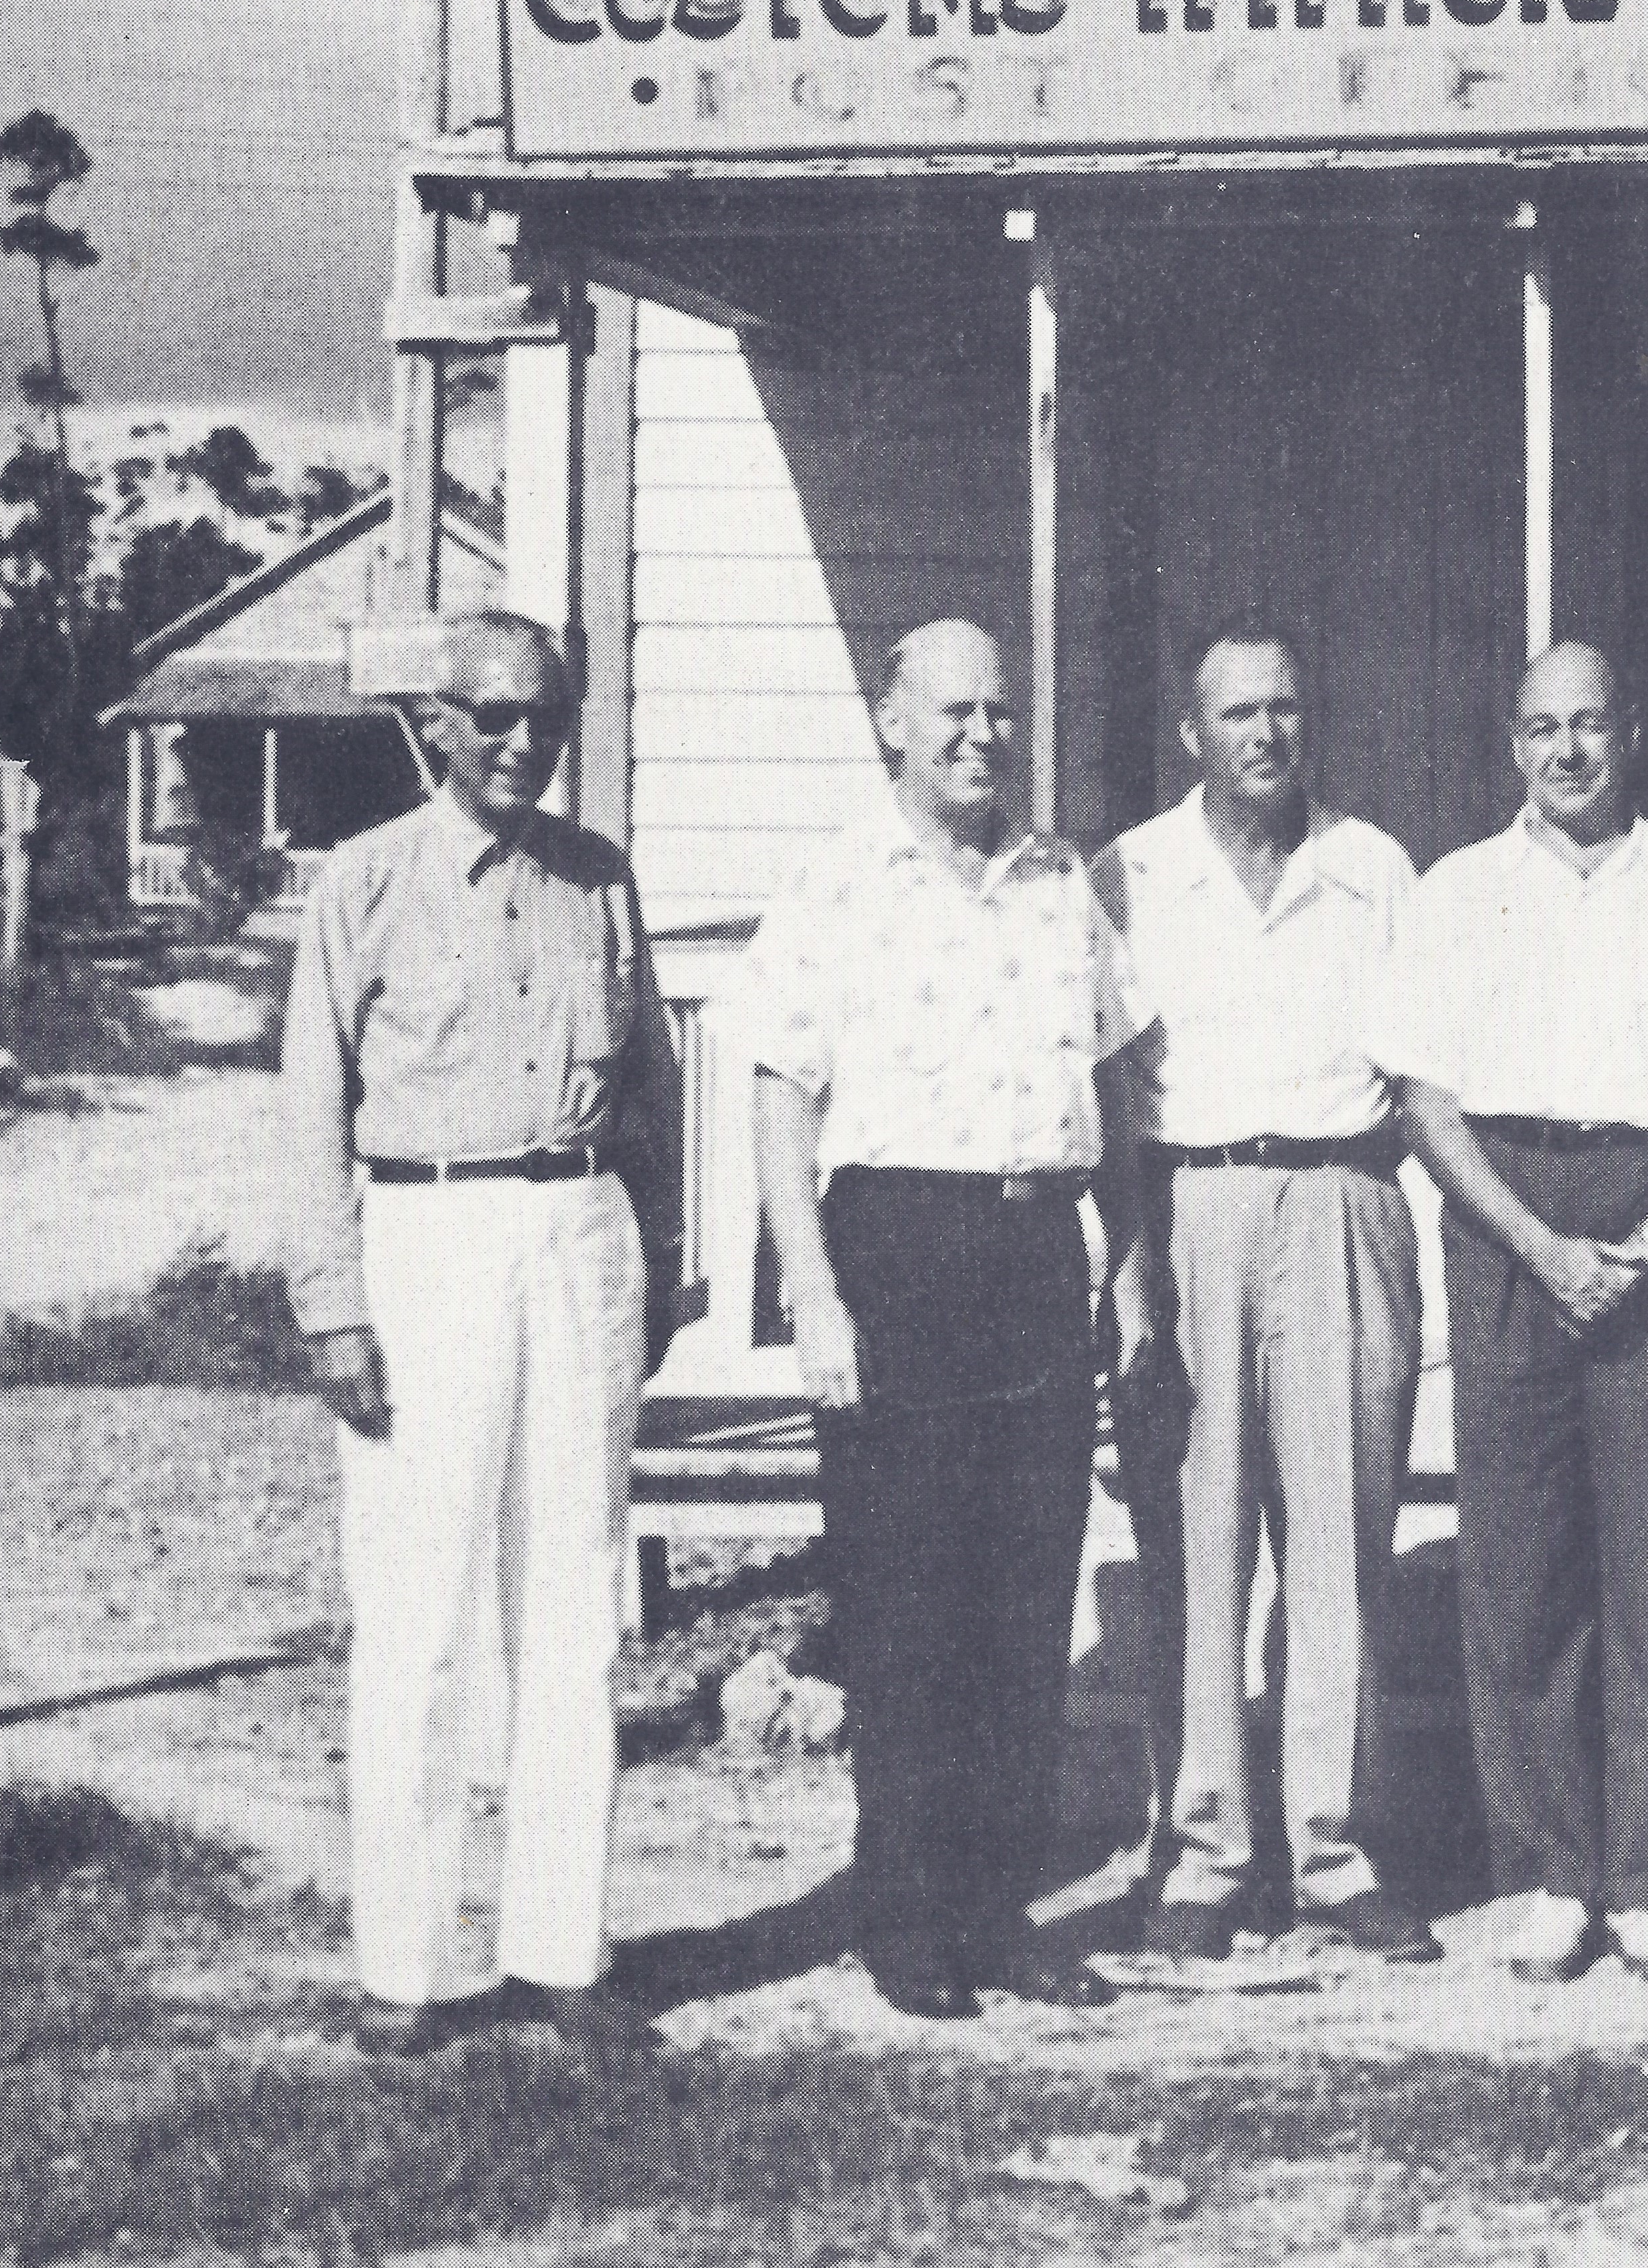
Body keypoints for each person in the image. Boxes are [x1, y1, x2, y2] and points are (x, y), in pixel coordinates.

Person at [282, 610, 680, 2061]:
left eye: (546, 717)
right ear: (436, 725)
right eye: (495, 717)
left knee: (572, 1611)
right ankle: (407, 1962)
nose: (524, 743)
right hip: (424, 1244)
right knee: (421, 1618)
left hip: (577, 1238)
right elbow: (307, 1109)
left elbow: (651, 1095)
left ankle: (560, 1952)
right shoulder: (367, 883)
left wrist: (665, 1260)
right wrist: (331, 1304)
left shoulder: (599, 881)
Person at [735, 620, 1140, 2021]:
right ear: (891, 722)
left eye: (1000, 713)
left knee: (1021, 1604)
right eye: (954, 712)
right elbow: (780, 1093)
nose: (984, 735)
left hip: (1035, 1251)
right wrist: (817, 1295)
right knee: (908, 1606)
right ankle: (901, 1914)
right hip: (897, 1251)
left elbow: (1117, 1084)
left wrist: (1122, 1268)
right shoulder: (839, 881)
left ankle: (998, 1910)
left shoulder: (1057, 882)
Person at [1374, 641, 1648, 1986]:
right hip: (1504, 1216)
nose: (1568, 752)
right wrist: (1535, 1243)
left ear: (1629, 731)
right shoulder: (1458, 890)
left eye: (1590, 724)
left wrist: (1646, 1238)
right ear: (1511, 743)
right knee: (1519, 1559)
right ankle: (1550, 1868)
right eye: (1543, 729)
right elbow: (1422, 1096)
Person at [1103, 620, 1439, 1965]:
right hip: (1188, 1209)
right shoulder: (1133, 873)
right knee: (1193, 1537)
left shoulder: (1373, 869)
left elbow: (1422, 1065)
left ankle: (1335, 1853)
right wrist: (1129, 1275)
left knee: (1339, 1540)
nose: (1263, 735)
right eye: (1236, 713)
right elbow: (1111, 1087)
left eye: (1285, 710)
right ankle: (1200, 1851)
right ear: (1194, 733)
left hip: (1343, 1197)